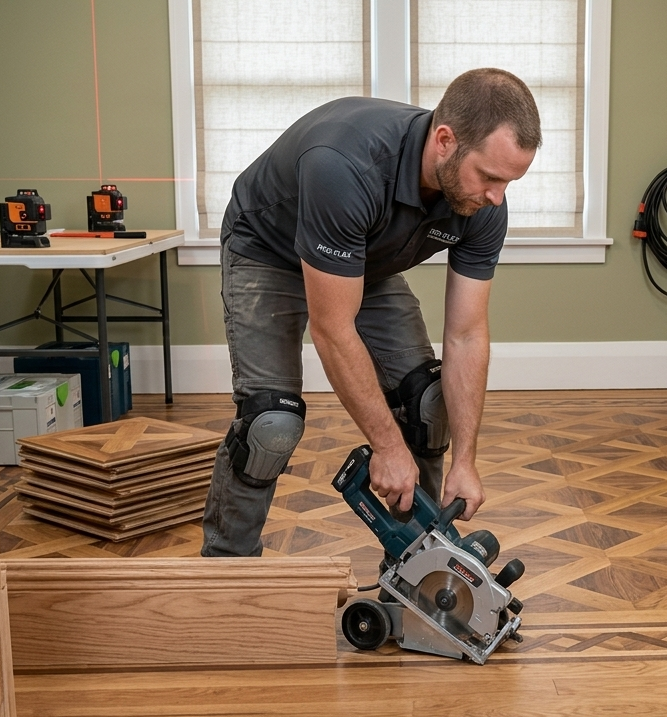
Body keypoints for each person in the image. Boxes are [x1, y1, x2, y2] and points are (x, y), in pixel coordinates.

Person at [201, 68, 541, 557]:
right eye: (488, 176)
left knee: (427, 403)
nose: (496, 197)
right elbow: (334, 330)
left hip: (362, 259)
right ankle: (224, 573)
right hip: (267, 250)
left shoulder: (484, 205)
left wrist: (465, 459)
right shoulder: (345, 165)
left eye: (508, 182)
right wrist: (387, 447)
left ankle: (421, 563)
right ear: (445, 141)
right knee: (269, 427)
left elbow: (466, 334)